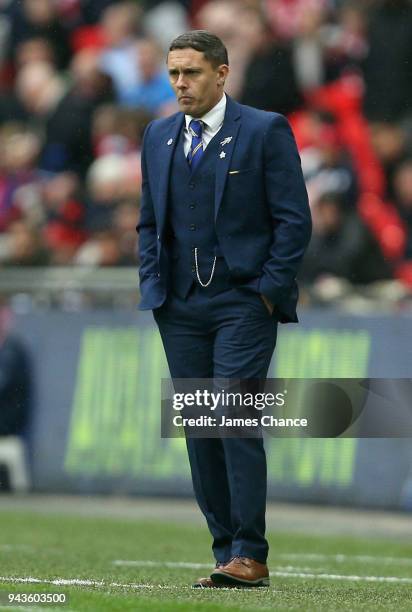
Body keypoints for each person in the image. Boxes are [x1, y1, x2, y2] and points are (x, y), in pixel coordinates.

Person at [137, 30, 311, 588]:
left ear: (222, 73)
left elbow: (294, 219)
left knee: (233, 415)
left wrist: (268, 288)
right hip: (180, 304)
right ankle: (224, 549)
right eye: (173, 74)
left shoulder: (264, 130)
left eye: (190, 72)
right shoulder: (157, 135)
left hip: (243, 301)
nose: (180, 83)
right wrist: (153, 284)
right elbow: (148, 221)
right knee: (201, 428)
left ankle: (250, 552)